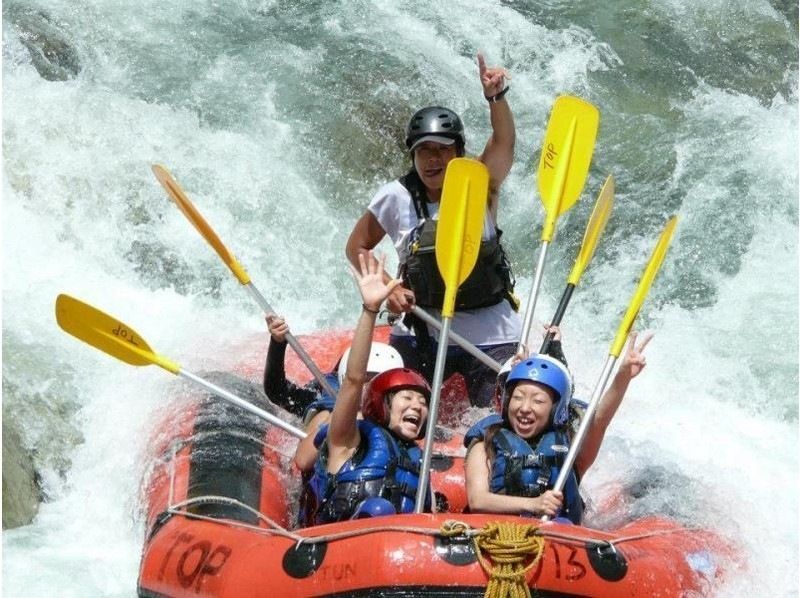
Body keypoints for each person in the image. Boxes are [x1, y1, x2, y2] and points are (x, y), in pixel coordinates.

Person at [345, 53, 520, 408]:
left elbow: (503, 143)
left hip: (491, 334)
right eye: (423, 151)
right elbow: (358, 247)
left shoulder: (479, 183)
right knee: (387, 412)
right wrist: (386, 288)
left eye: (441, 150)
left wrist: (496, 98)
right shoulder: (396, 196)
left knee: (499, 415)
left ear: (458, 151)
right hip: (421, 330)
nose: (432, 160)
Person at [464, 332, 652, 523]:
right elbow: (477, 500)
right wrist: (534, 504)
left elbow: (600, 420)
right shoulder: (486, 441)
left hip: (561, 540)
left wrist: (623, 376)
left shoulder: (569, 451)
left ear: (555, 410)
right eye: (518, 397)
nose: (525, 408)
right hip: (497, 534)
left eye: (538, 401)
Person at [306, 251, 434, 523]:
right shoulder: (348, 440)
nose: (417, 406)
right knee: (379, 510)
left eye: (422, 403)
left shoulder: (418, 463)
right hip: (341, 549)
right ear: (382, 403)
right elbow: (353, 381)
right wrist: (370, 310)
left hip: (401, 553)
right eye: (407, 397)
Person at [262, 314, 403, 471]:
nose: (371, 390)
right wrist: (278, 343)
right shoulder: (326, 404)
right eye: (365, 381)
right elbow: (276, 390)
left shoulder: (405, 414)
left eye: (379, 383)